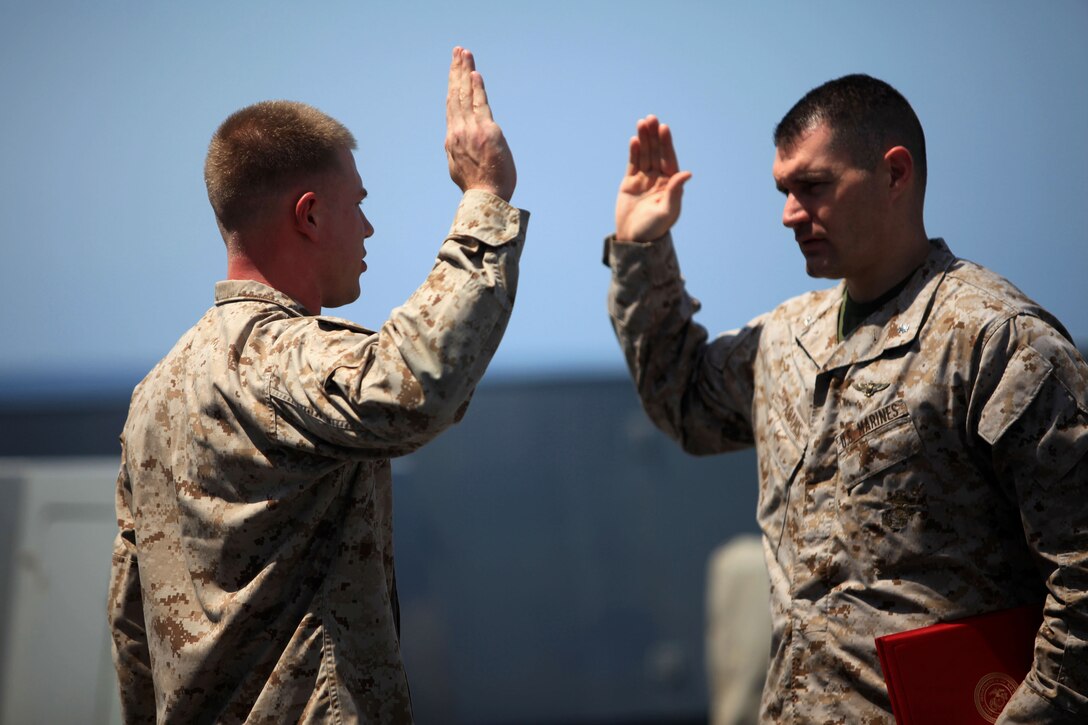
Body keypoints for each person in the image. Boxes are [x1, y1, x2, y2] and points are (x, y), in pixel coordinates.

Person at [605, 75, 1088, 722]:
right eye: (784, 190)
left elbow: (1080, 581)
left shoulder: (996, 343)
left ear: (894, 175)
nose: (789, 213)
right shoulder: (787, 338)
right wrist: (642, 250)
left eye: (813, 186)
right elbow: (684, 404)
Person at [107, 46, 528, 723]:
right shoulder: (276, 357)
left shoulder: (153, 394)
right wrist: (484, 199)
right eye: (355, 205)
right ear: (308, 215)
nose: (366, 227)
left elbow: (132, 621)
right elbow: (411, 388)